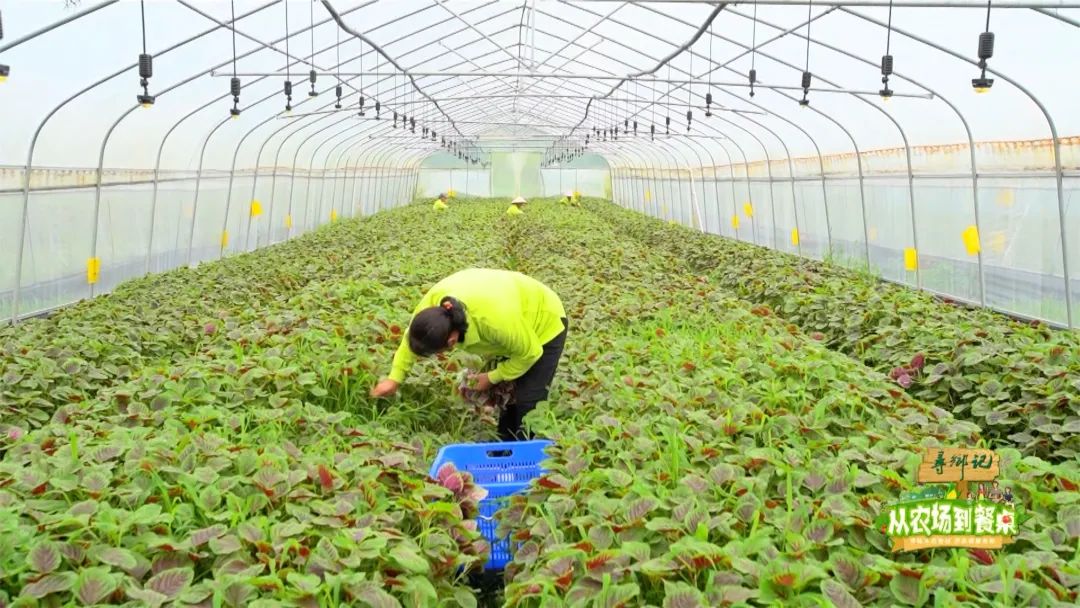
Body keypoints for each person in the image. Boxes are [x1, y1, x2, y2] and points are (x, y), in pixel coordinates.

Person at [371, 268, 568, 441]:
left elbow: (530, 353)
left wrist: (490, 378)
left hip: (543, 319)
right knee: (511, 396)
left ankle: (529, 456)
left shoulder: (493, 321)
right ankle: (505, 447)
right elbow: (410, 340)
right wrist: (394, 378)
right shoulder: (430, 311)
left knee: (529, 398)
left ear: (451, 342)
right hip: (512, 315)